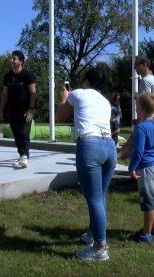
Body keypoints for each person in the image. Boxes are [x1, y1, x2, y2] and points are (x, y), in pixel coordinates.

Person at [56, 67, 116, 261]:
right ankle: (93, 233)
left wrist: (65, 98)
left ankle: (100, 248)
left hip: (90, 145)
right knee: (100, 196)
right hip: (109, 146)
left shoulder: (77, 93)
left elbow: (59, 117)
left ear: (85, 80)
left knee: (94, 198)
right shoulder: (105, 101)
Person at [128, 92, 154, 243]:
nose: (136, 109)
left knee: (148, 202)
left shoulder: (140, 127)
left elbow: (138, 151)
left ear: (142, 109)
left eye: (137, 107)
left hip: (147, 168)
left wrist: (132, 168)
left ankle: (146, 234)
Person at [0, 50, 36, 169]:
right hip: (12, 111)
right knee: (16, 134)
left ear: (21, 61)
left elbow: (33, 93)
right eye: (11, 58)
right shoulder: (7, 76)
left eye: (14, 59)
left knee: (24, 132)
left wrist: (31, 109)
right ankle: (21, 155)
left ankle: (24, 156)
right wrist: (1, 110)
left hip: (25, 110)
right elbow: (4, 94)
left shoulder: (27, 75)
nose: (11, 60)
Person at [133, 55, 154, 121]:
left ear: (144, 64)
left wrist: (138, 121)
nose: (134, 67)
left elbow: (145, 104)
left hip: (148, 121)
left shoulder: (145, 81)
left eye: (136, 64)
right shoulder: (153, 79)